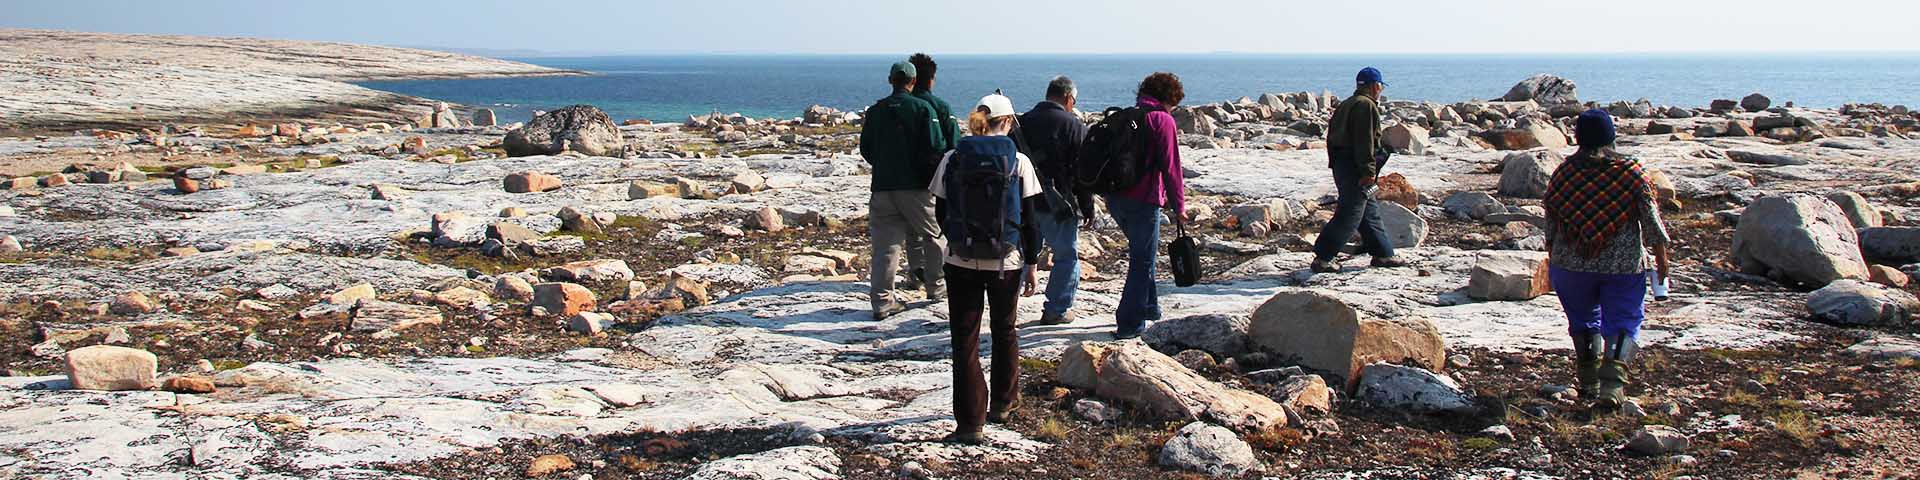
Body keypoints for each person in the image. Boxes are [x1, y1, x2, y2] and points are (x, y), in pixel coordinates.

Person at [929, 93, 1043, 444]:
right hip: (1005, 261)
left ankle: (969, 424)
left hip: (960, 259)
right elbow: (1031, 221)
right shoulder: (1019, 161)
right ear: (1007, 122)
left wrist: (961, 239)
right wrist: (1033, 263)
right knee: (1005, 329)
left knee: (965, 340)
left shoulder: (953, 157)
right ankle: (1004, 403)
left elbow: (941, 212)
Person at [1543, 109, 1671, 409]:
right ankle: (1612, 387)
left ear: (1578, 137)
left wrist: (1553, 254)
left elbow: (1552, 218)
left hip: (1571, 263)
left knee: (1582, 319)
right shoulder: (1630, 172)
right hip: (1623, 264)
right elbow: (1650, 219)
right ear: (1611, 136)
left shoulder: (1565, 172)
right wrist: (1662, 256)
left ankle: (1588, 380)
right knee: (1624, 319)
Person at [858, 61, 947, 320]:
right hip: (916, 187)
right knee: (934, 236)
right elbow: (936, 145)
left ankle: (883, 301)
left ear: (890, 80)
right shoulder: (922, 108)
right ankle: (936, 288)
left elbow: (866, 148)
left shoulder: (876, 111)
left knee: (886, 246)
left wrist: (884, 165)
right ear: (913, 81)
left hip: (883, 186)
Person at [1107, 72, 1187, 340]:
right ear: (1169, 98)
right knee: (1142, 261)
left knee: (1143, 254)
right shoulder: (1162, 120)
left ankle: (1149, 307)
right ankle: (1129, 323)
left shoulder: (1128, 115)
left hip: (1116, 197)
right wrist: (1179, 205)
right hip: (1144, 199)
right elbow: (1171, 167)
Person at [1311, 67, 1410, 273]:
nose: (1381, 90)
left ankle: (1383, 253)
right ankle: (1323, 257)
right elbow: (1364, 142)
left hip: (1342, 164)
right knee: (1350, 213)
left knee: (1369, 211)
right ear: (1375, 86)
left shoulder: (1347, 103)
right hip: (1356, 168)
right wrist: (1368, 172)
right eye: (1381, 86)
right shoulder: (1366, 106)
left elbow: (1332, 137)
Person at [1014, 76, 1092, 325]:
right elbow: (1083, 171)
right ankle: (1056, 309)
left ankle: (1006, 307)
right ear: (1069, 99)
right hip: (1059, 203)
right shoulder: (1073, 125)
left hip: (1023, 201)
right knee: (1066, 255)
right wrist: (1087, 204)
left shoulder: (1021, 122)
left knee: (1014, 255)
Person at [903, 53, 964, 294]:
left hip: (900, 179)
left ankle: (915, 273)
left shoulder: (900, 106)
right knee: (934, 232)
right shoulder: (939, 106)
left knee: (912, 233)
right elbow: (954, 145)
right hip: (931, 179)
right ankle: (935, 281)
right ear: (931, 79)